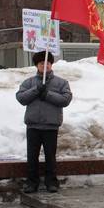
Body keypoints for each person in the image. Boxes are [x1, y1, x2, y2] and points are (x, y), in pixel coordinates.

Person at [16, 51, 73, 194]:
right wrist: (36, 90)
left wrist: (47, 94)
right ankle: (31, 183)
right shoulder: (29, 82)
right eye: (41, 63)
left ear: (51, 64)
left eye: (47, 63)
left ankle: (51, 182)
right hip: (33, 125)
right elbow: (21, 98)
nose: (45, 65)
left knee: (50, 156)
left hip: (50, 126)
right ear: (37, 66)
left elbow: (65, 100)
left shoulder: (61, 83)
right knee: (32, 156)